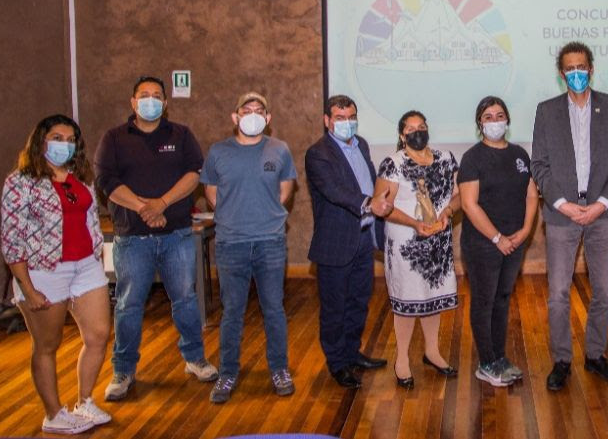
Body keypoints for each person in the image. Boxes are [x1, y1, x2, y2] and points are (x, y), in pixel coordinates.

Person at [95, 76, 217, 401]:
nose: (150, 100)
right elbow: (106, 180)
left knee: (186, 300)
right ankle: (123, 370)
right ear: (133, 102)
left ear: (165, 102)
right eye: (143, 95)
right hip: (132, 238)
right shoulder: (114, 138)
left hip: (176, 234)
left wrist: (161, 204)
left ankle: (195, 359)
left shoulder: (181, 135)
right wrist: (143, 208)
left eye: (156, 96)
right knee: (128, 304)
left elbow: (195, 173)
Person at [531, 41, 608, 391]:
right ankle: (561, 360)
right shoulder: (546, 111)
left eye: (582, 66)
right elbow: (539, 165)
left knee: (602, 291)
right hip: (562, 215)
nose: (577, 73)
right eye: (570, 68)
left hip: (603, 213)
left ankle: (595, 355)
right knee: (558, 293)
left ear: (591, 68)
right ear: (562, 74)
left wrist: (602, 202)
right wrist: (562, 203)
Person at [1, 114, 110, 433]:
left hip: (85, 265)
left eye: (70, 139)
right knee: (47, 344)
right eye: (57, 138)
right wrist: (27, 286)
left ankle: (85, 401)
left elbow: (88, 218)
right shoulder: (21, 181)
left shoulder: (81, 176)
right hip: (44, 270)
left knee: (98, 335)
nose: (64, 145)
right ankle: (53, 414)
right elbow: (11, 237)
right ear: (40, 142)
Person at [201, 92, 298, 403]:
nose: (253, 114)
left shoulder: (279, 150)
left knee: (274, 310)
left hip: (270, 241)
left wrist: (262, 214)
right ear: (235, 117)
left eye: (259, 110)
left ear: (268, 119)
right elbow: (212, 195)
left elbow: (285, 191)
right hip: (231, 244)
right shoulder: (218, 152)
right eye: (247, 110)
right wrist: (236, 217)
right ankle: (228, 373)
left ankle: (280, 369)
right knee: (232, 312)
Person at [372, 110, 460, 389]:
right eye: (410, 129)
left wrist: (447, 214)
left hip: (437, 239)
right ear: (402, 135)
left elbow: (459, 195)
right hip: (406, 242)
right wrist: (414, 223)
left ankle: (432, 352)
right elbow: (383, 206)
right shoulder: (392, 164)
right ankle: (402, 360)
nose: (417, 131)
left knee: (432, 297)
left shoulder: (446, 159)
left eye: (421, 126)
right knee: (408, 302)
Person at [305, 95, 388, 389]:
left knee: (358, 301)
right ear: (327, 120)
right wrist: (369, 203)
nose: (346, 123)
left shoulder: (361, 144)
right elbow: (334, 190)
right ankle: (337, 363)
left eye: (351, 116)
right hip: (335, 243)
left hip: (363, 238)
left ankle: (352, 353)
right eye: (340, 118)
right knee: (334, 308)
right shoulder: (318, 154)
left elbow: (370, 181)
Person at [458, 96, 538, 387]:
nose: (495, 121)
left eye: (499, 115)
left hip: (515, 242)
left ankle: (499, 356)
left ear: (508, 120)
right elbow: (469, 204)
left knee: (503, 299)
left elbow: (531, 194)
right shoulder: (473, 158)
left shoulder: (519, 154)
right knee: (484, 300)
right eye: (488, 116)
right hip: (483, 245)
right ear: (480, 123)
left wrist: (526, 229)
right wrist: (497, 238)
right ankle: (486, 362)